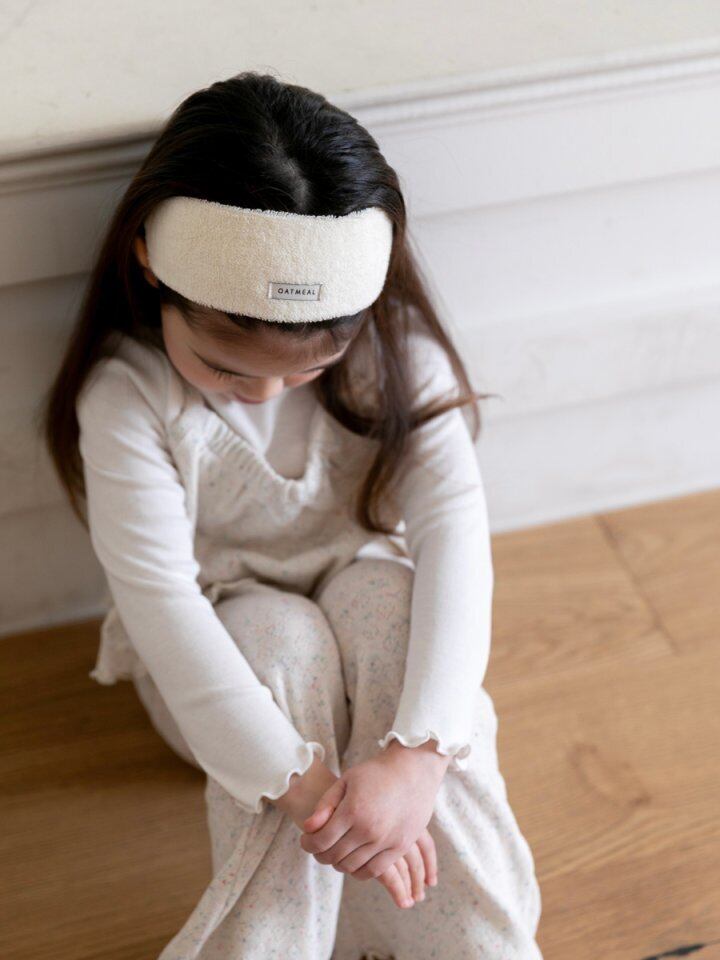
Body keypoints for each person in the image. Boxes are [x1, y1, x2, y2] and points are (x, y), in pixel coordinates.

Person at [41, 71, 543, 960]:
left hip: (369, 637)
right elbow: (164, 605)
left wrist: (418, 760)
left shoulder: (399, 358)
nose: (267, 393)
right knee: (278, 637)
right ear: (148, 261)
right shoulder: (128, 399)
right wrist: (313, 798)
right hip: (229, 680)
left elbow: (455, 543)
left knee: (389, 606)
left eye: (308, 369)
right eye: (225, 368)